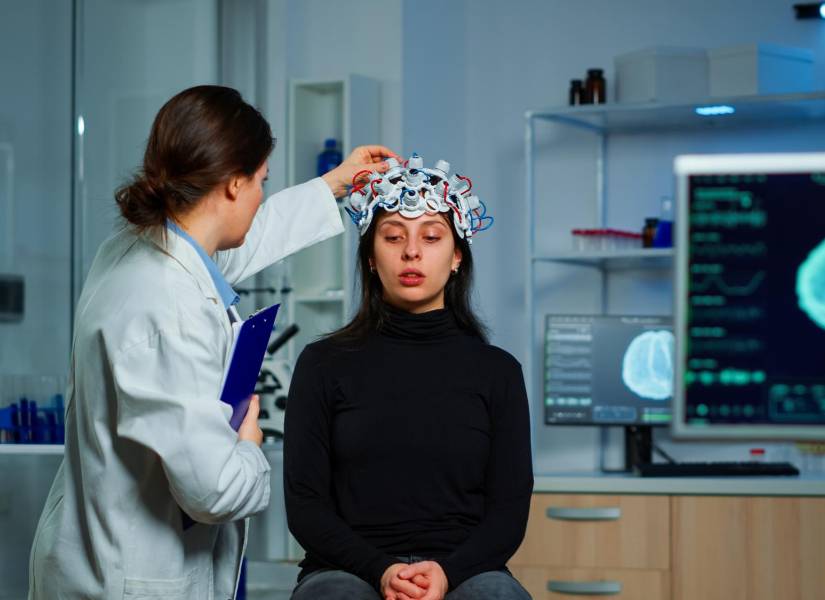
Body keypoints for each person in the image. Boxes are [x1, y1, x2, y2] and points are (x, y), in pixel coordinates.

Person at [27, 85, 397, 600]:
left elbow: (235, 244)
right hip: (131, 579)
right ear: (232, 184)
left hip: (93, 556)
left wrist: (332, 186)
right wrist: (251, 442)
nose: (261, 196)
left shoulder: (135, 251)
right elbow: (214, 491)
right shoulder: (168, 308)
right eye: (261, 181)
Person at [284, 155, 534, 600]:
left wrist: (447, 572)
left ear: (457, 256)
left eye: (432, 237)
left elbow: (509, 511)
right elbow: (305, 506)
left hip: (465, 570)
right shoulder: (322, 364)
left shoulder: (498, 372)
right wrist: (381, 570)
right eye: (393, 237)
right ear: (371, 259)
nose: (411, 251)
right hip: (348, 567)